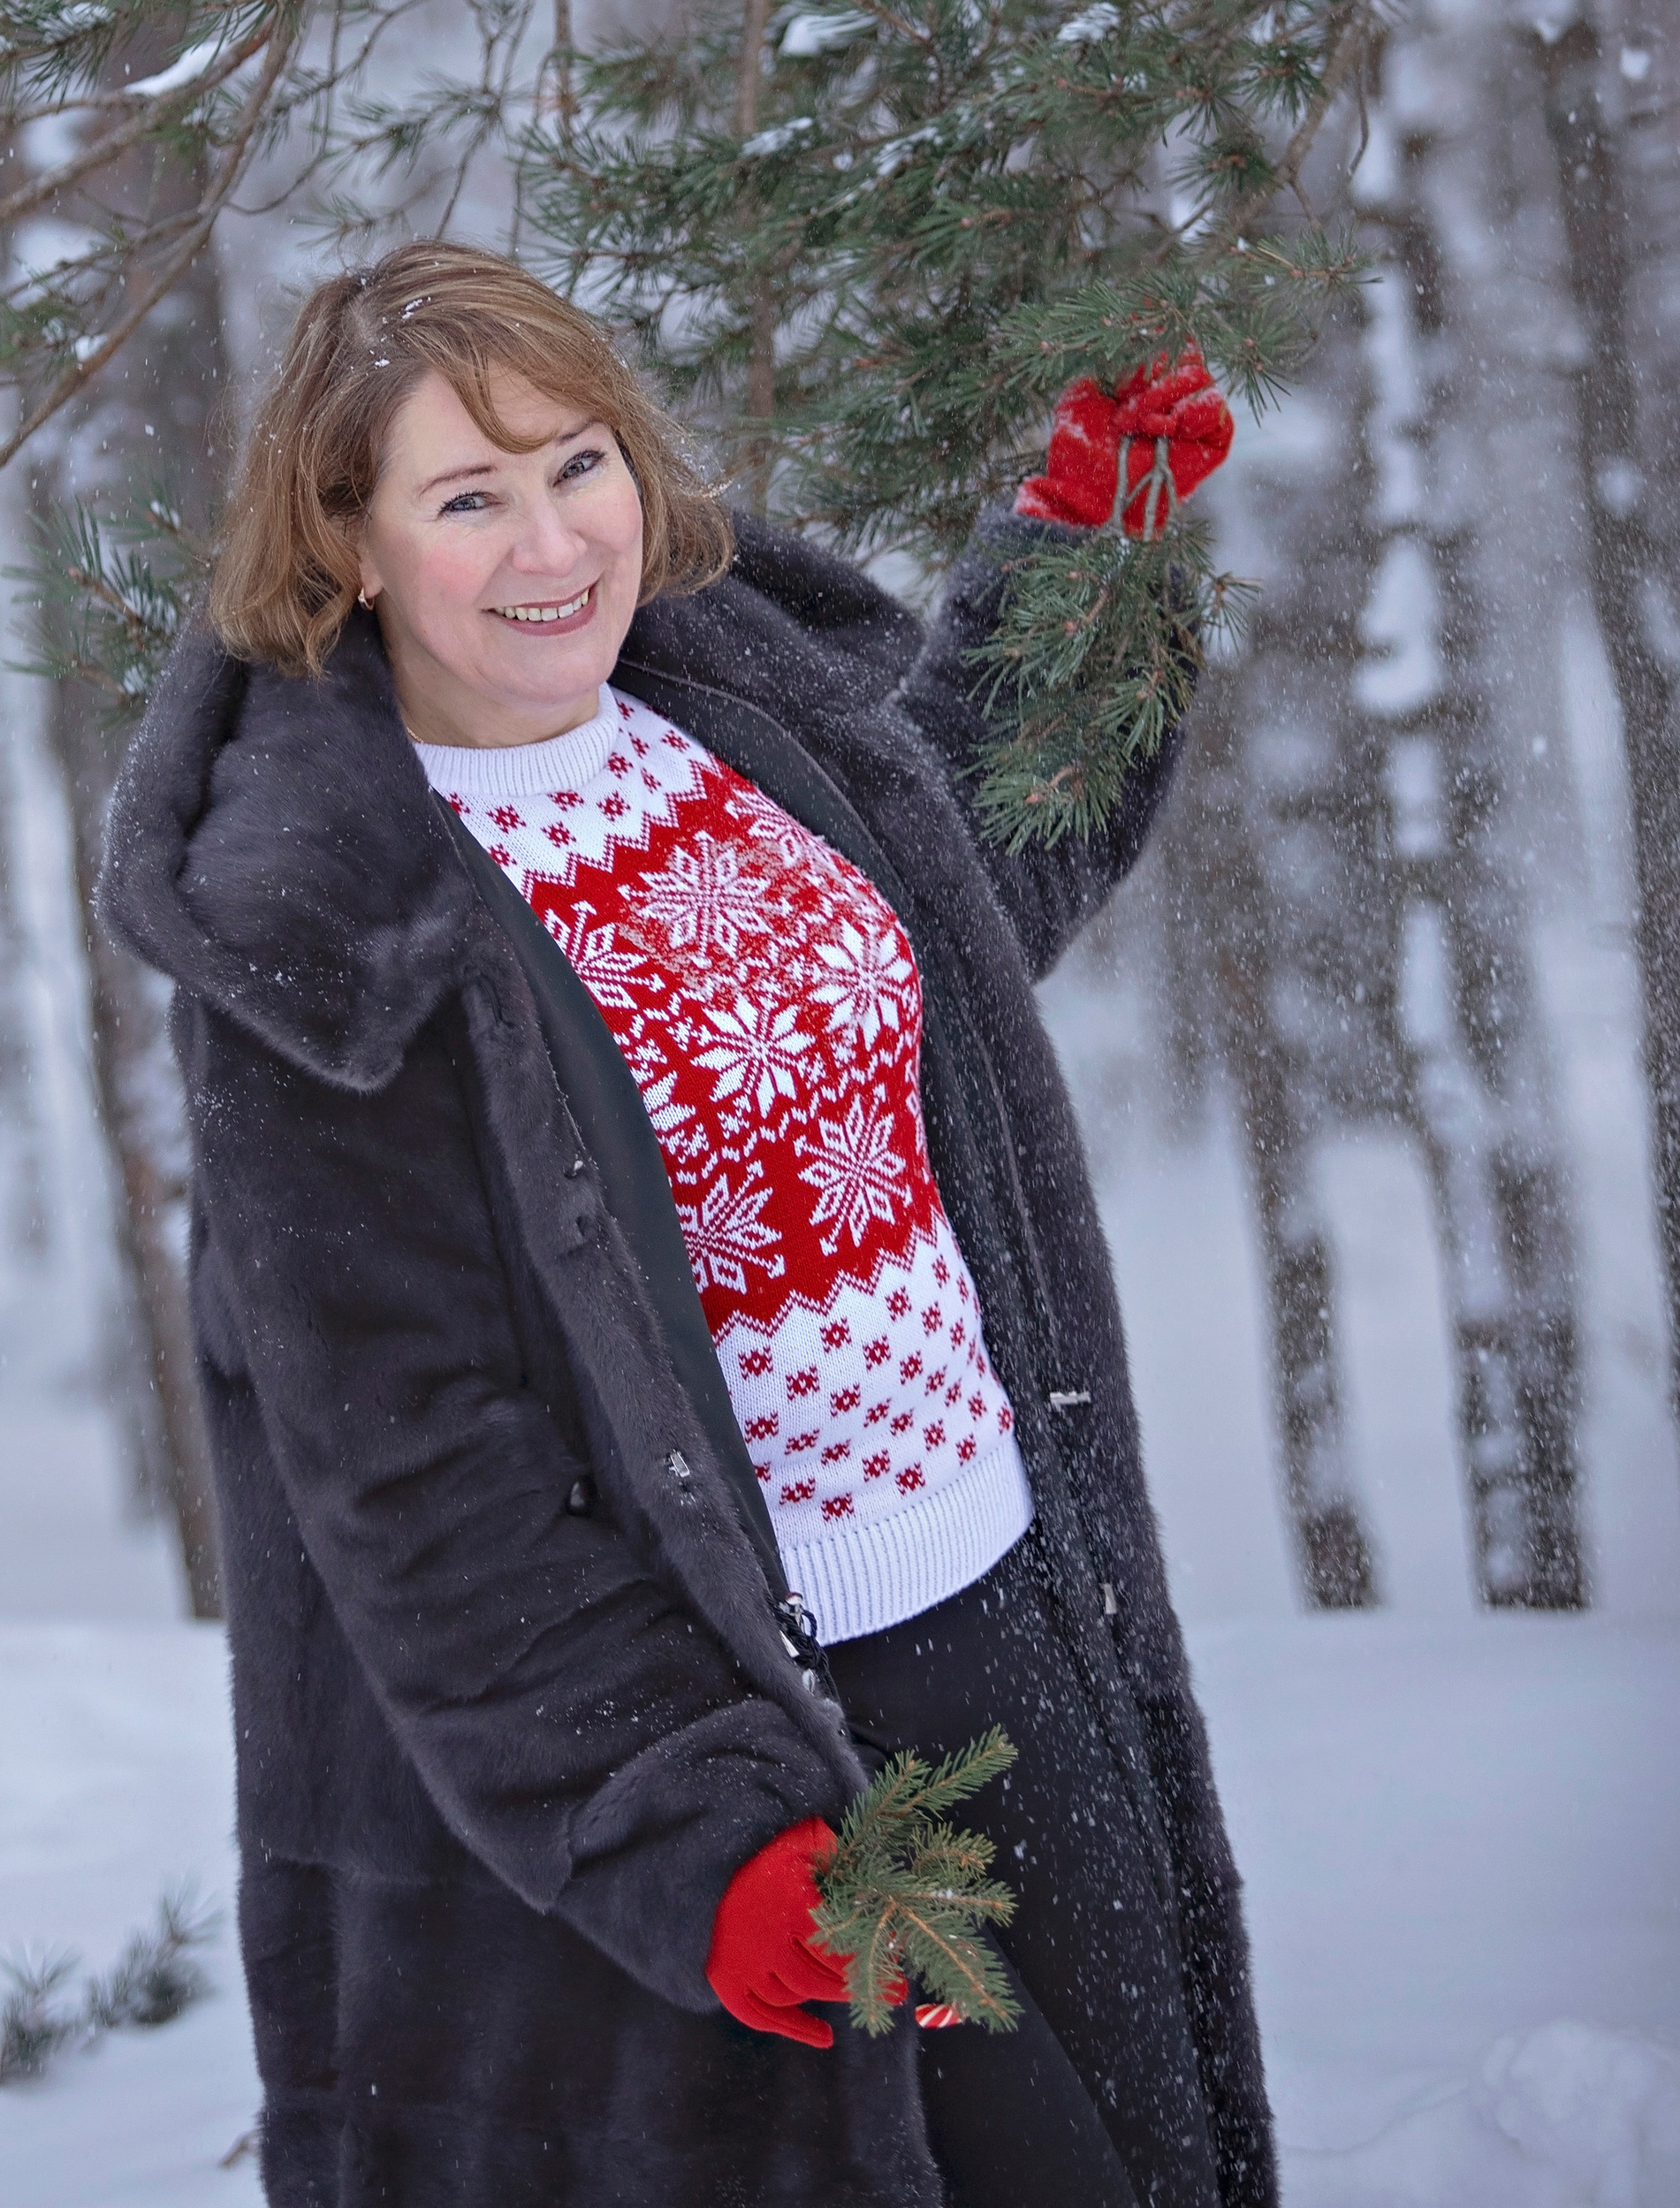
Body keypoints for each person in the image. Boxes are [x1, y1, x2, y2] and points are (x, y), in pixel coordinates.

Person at [102, 243, 1270, 2208]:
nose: (549, 540)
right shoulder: (337, 929)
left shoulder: (724, 714)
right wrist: (684, 1826)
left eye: (576, 465)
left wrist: (1081, 561)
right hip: (750, 1742)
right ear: (349, 544)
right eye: (465, 497)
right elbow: (415, 1468)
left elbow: (959, 901)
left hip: (1008, 1630)